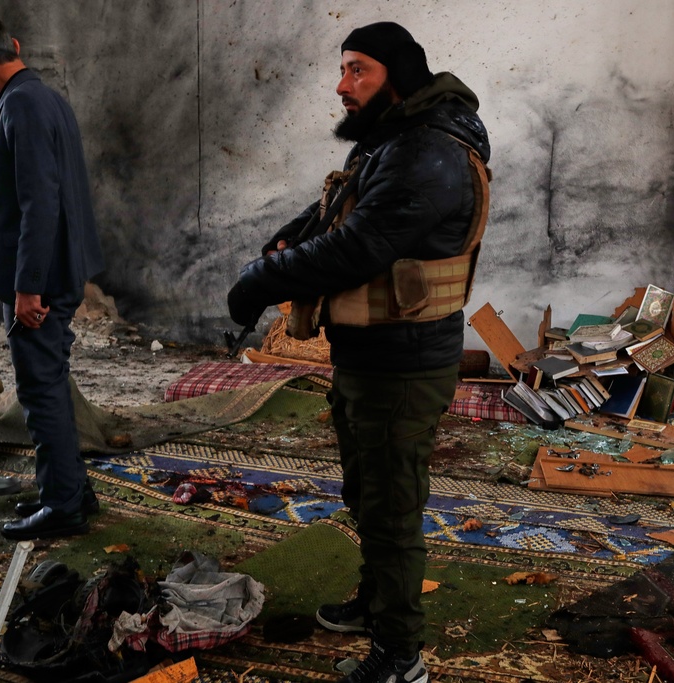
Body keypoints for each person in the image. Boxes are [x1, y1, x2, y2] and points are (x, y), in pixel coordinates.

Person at [227, 21, 490, 683]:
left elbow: (357, 248)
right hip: (373, 356)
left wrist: (260, 282)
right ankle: (375, 605)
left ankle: (401, 658)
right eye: (343, 71)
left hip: (404, 362)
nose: (341, 86)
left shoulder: (428, 151)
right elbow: (339, 211)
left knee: (393, 510)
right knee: (370, 494)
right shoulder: (400, 139)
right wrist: (289, 238)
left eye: (356, 71)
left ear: (395, 75)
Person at [0, 14, 104, 540]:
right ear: (14, 46)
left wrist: (27, 286)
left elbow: (39, 204)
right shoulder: (44, 97)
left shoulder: (21, 105)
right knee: (51, 380)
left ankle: (62, 505)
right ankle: (76, 490)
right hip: (57, 265)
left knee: (39, 389)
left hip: (40, 276)